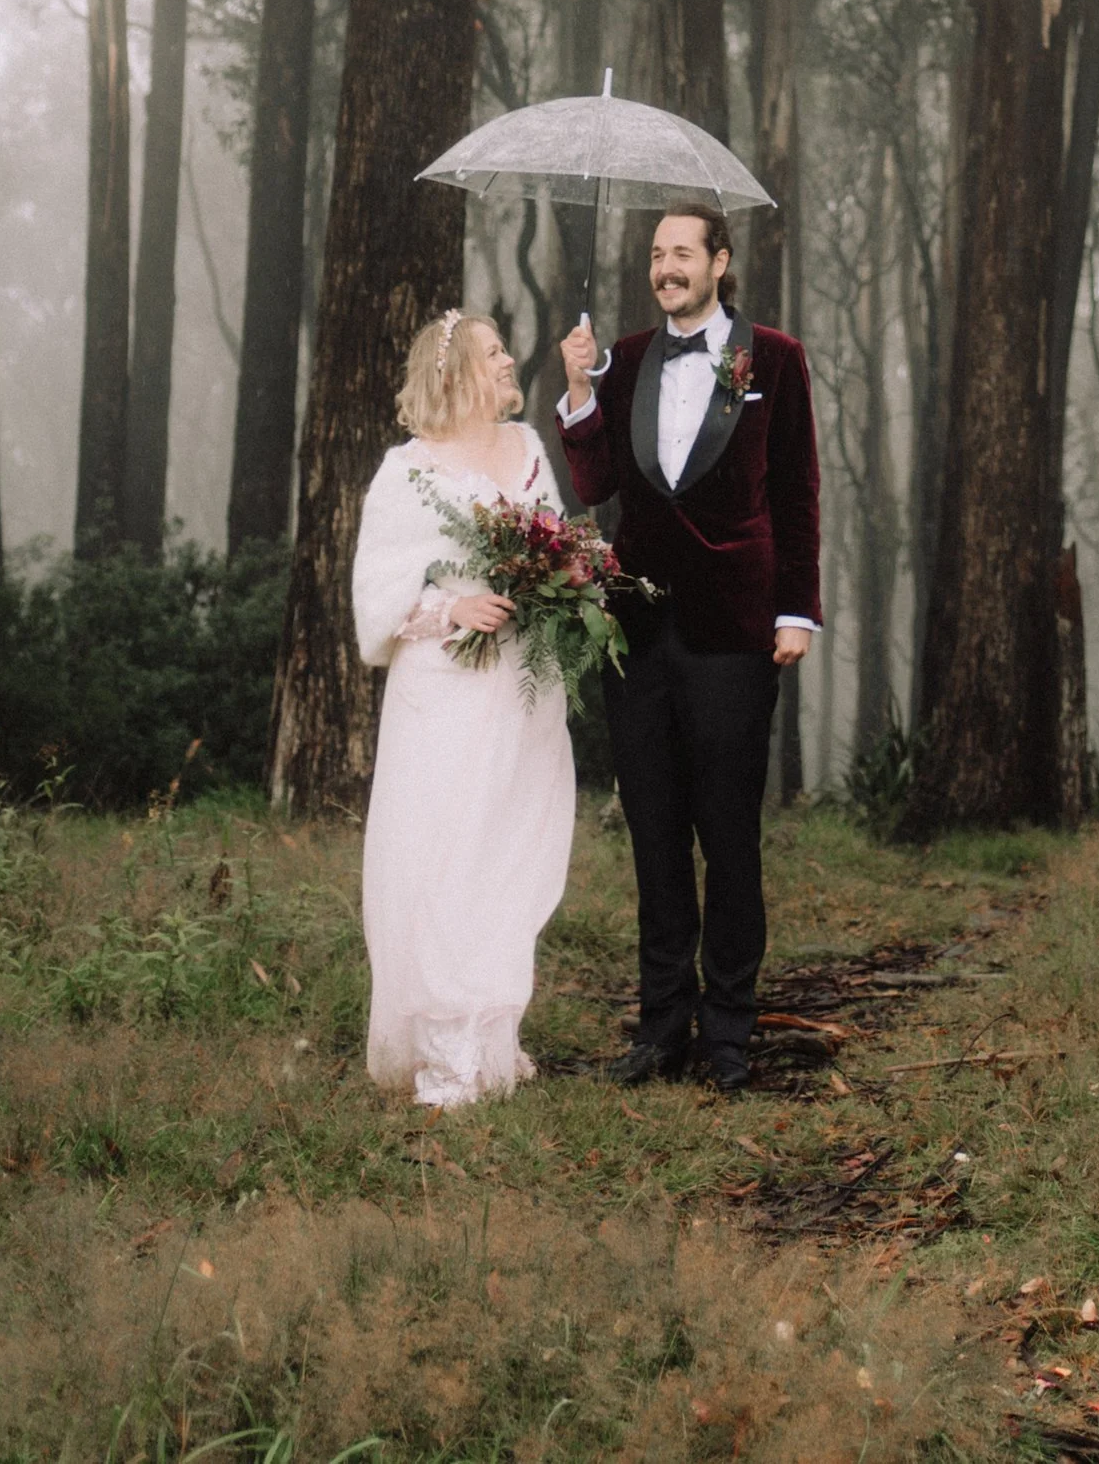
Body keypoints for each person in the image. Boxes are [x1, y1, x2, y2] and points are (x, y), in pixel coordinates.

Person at [557, 197, 821, 1092]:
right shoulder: (626, 358)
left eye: (681, 253)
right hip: (636, 629)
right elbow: (596, 483)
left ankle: (730, 1032)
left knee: (729, 833)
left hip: (735, 631)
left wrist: (797, 611)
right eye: (655, 255)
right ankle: (662, 1027)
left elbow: (796, 491)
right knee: (655, 833)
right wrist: (582, 391)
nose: (665, 268)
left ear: (720, 262)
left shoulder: (771, 358)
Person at [350, 309, 576, 1109]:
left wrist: (561, 580)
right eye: (494, 352)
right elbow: (376, 597)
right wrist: (454, 609)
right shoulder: (407, 470)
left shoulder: (529, 448)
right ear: (453, 373)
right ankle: (446, 1054)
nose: (510, 360)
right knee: (445, 855)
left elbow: (555, 540)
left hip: (522, 687)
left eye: (506, 349)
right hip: (444, 690)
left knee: (508, 853)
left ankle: (491, 1034)